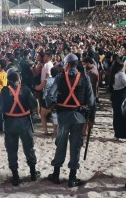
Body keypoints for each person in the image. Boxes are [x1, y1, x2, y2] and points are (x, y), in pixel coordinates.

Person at [45, 53, 96, 187]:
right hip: (79, 117)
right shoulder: (85, 78)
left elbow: (49, 94)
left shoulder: (60, 77)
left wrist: (52, 105)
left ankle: (56, 174)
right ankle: (72, 178)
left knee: (60, 144)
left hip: (63, 117)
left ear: (67, 64)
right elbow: (91, 101)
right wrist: (91, 118)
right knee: (75, 146)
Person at [0, 69, 40, 186]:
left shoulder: (4, 91)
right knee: (29, 148)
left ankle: (15, 176)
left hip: (10, 123)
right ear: (18, 79)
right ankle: (33, 173)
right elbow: (33, 105)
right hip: (24, 123)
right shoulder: (25, 89)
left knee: (11, 150)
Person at [110, 60, 126, 139]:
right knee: (124, 115)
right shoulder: (121, 74)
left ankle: (117, 134)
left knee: (116, 115)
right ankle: (125, 134)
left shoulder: (113, 74)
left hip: (115, 95)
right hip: (122, 96)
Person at [35, 66, 59, 135]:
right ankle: (55, 131)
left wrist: (35, 87)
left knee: (43, 116)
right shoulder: (59, 81)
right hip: (55, 101)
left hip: (46, 100)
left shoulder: (47, 80)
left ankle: (46, 131)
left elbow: (39, 88)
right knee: (54, 116)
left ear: (51, 73)